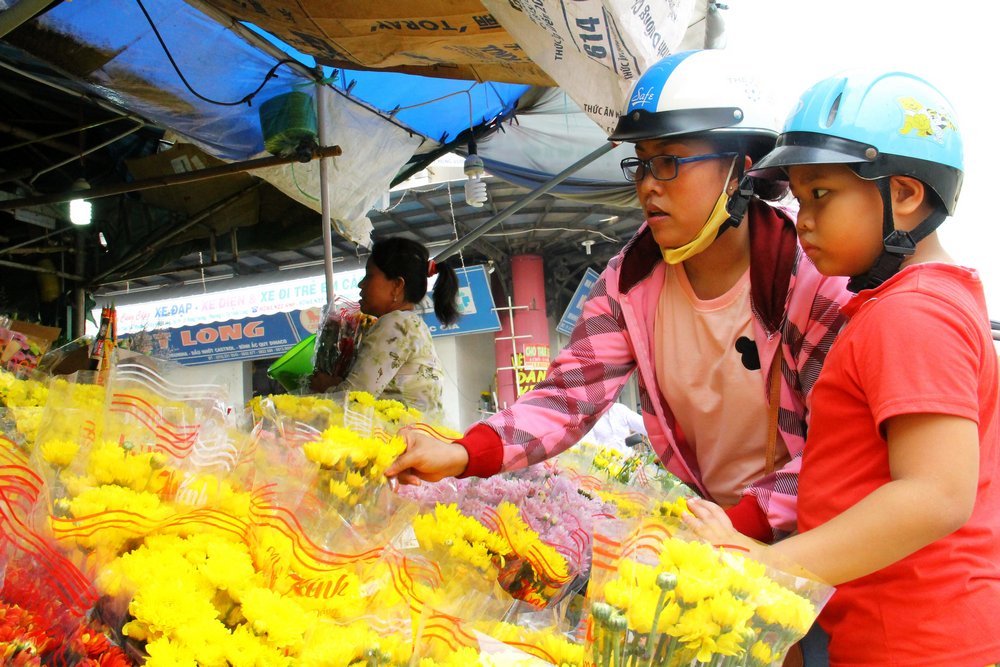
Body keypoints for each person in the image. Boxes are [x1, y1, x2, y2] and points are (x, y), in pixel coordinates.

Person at [387, 49, 851, 543]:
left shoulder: (811, 283)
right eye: (641, 164)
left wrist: (742, 530)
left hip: (825, 536)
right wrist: (463, 453)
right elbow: (569, 397)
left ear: (740, 170)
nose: (648, 186)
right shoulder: (628, 284)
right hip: (722, 528)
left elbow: (839, 447)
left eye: (670, 162)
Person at [685, 69, 1000, 665]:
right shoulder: (906, 303)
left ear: (904, 195)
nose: (802, 219)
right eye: (799, 198)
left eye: (821, 195)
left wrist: (766, 566)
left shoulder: (913, 313)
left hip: (921, 644)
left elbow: (937, 493)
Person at [310, 236, 459, 419]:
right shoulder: (411, 324)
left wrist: (325, 386)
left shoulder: (395, 324)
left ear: (397, 285)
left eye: (369, 275)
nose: (361, 284)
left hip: (400, 440)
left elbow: (356, 400)